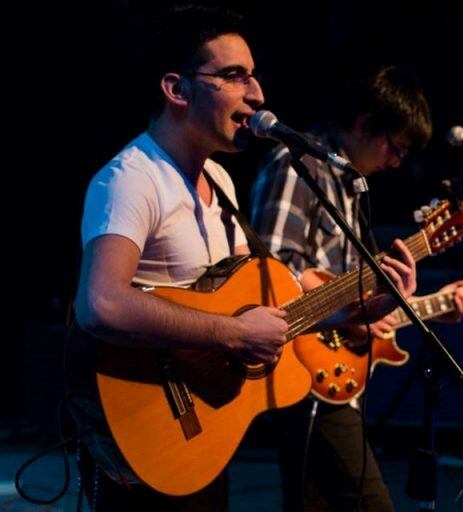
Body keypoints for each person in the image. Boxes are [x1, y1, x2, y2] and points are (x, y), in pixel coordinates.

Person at [69, 8, 416, 510]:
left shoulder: (222, 183)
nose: (256, 94)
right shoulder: (132, 178)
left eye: (253, 75)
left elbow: (265, 311)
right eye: (234, 76)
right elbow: (100, 305)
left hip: (207, 431)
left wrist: (359, 310)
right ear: (177, 89)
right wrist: (232, 333)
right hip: (145, 433)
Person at [251, 65, 463, 511]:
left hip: (336, 377)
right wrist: (351, 304)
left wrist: (430, 306)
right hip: (305, 372)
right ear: (363, 124)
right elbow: (273, 272)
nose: (397, 162)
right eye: (394, 147)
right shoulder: (297, 168)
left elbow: (365, 303)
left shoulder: (351, 189)